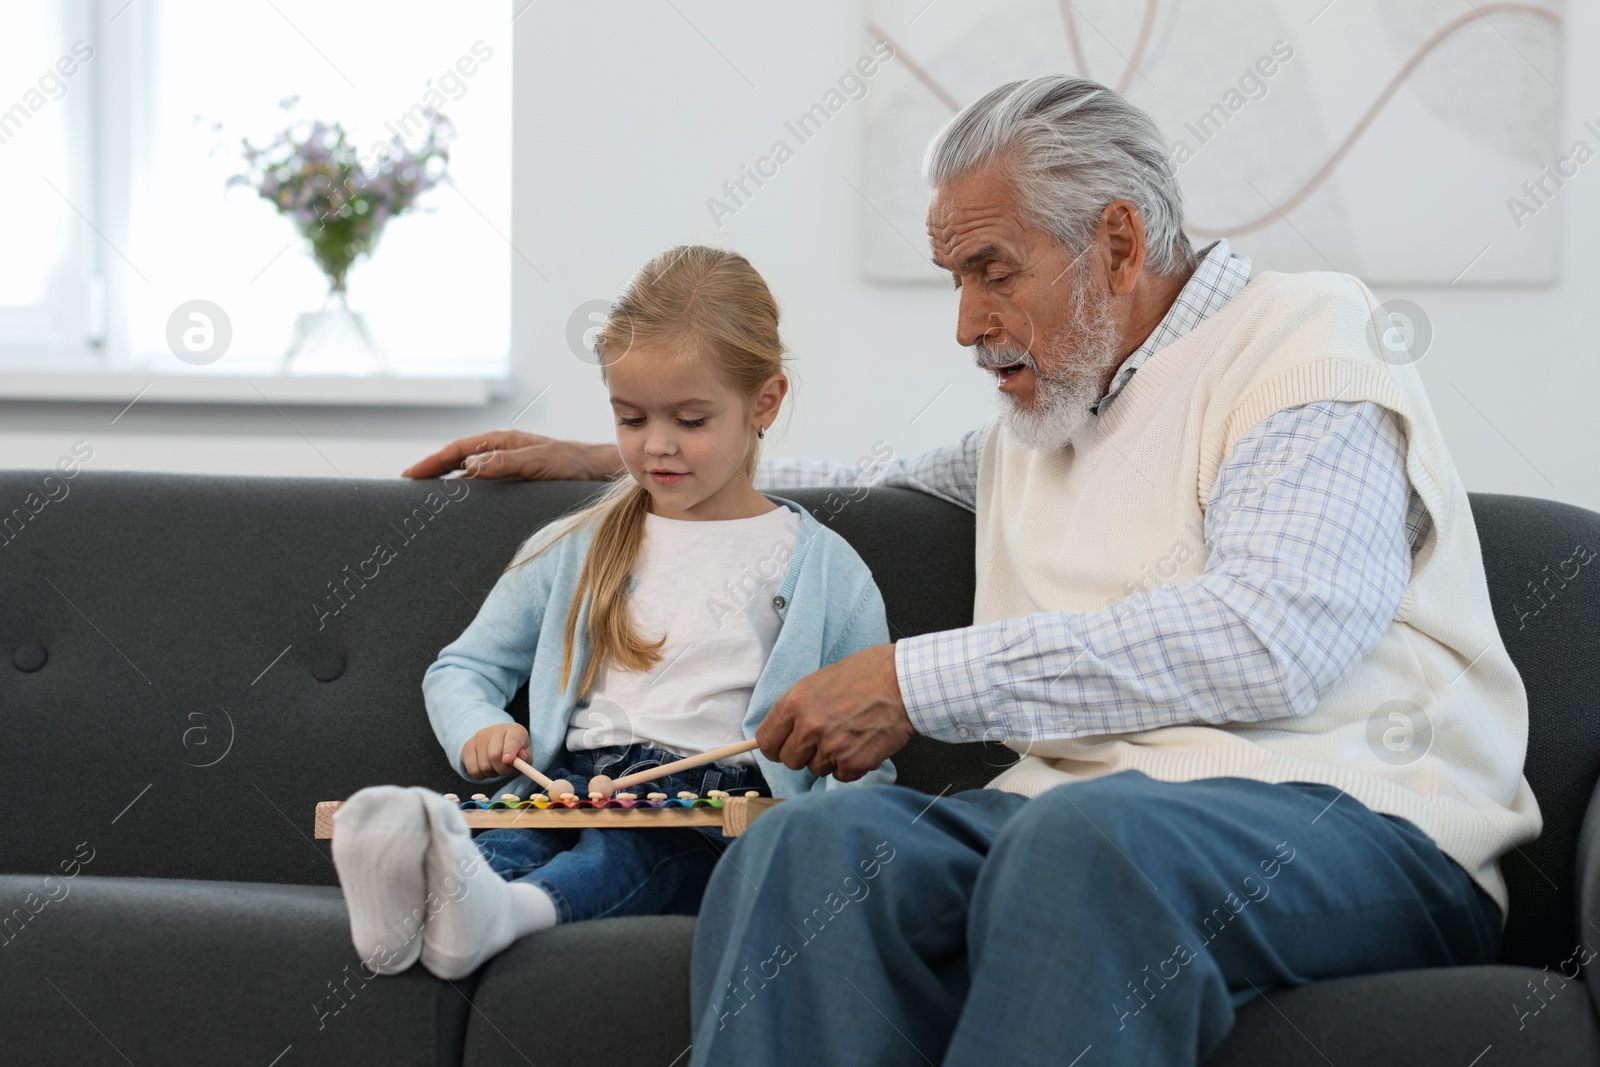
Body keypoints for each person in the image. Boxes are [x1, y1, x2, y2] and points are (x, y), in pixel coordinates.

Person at [404, 77, 1540, 1065]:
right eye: (953, 276)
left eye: (990, 271)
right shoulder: (1037, 423)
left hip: (1356, 826)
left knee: (1086, 841)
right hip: (1078, 826)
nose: (965, 324)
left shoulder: (1305, 338)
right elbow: (860, 480)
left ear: (1117, 241)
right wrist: (644, 450)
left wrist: (912, 681)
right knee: (809, 842)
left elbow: (1274, 635)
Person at [333, 244, 894, 985]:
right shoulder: (575, 546)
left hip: (709, 808)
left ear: (765, 401)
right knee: (508, 839)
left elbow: (867, 752)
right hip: (568, 782)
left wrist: (811, 845)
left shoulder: (827, 568)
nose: (655, 445)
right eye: (630, 418)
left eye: (690, 419)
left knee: (630, 855)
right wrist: (481, 728)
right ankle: (421, 906)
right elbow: (462, 667)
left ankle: (501, 913)